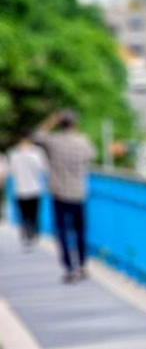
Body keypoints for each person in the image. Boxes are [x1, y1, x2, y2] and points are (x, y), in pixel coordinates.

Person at [33, 110, 96, 281]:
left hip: (59, 192)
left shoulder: (54, 141)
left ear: (60, 124)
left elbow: (36, 136)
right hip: (78, 192)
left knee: (62, 232)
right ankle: (82, 265)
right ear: (74, 124)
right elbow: (92, 155)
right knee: (80, 231)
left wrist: (51, 120)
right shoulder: (82, 141)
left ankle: (70, 268)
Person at [7, 135, 49, 247]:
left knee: (29, 213)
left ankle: (29, 233)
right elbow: (42, 168)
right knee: (29, 213)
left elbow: (12, 171)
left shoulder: (20, 153)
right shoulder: (18, 153)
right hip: (27, 188)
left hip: (28, 188)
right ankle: (30, 233)